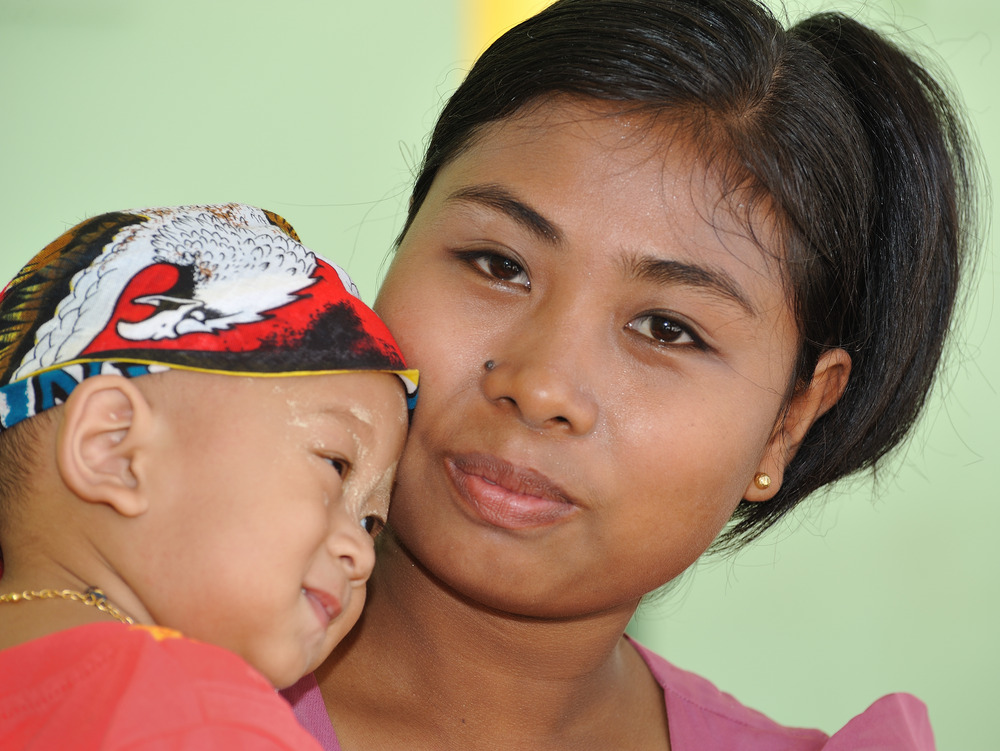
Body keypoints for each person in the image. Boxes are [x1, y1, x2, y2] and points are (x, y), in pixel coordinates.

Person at [281, 0, 980, 748]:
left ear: (790, 422)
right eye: (498, 264)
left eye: (666, 328)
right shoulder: (152, 686)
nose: (541, 385)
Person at [0, 204, 417, 749]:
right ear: (115, 448)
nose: (362, 558)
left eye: (370, 522)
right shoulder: (205, 719)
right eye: (334, 464)